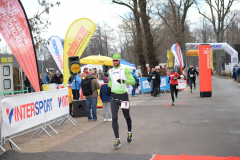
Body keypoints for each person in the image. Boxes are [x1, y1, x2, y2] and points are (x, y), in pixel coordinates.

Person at [106, 53, 135, 148]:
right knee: (114, 118)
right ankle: (117, 139)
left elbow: (133, 81)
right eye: (113, 60)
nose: (115, 62)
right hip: (114, 97)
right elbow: (110, 80)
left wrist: (124, 81)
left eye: (116, 60)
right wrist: (109, 87)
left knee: (126, 116)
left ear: (119, 60)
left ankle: (129, 132)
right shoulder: (110, 71)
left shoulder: (124, 69)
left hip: (123, 97)